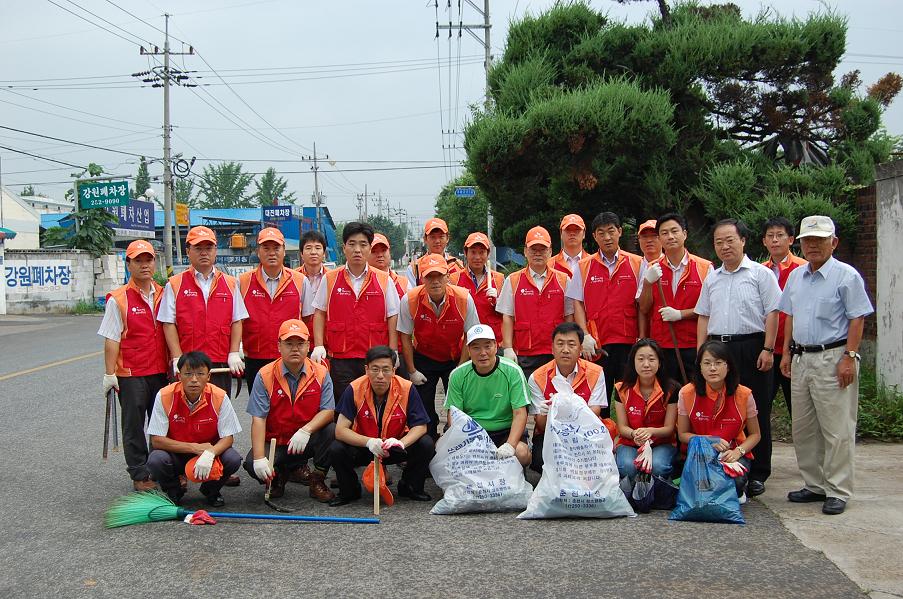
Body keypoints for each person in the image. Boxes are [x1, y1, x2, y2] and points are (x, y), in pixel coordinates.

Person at [779, 215, 873, 515]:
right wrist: (785, 353)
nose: (813, 245)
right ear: (801, 243)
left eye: (820, 240)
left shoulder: (846, 276)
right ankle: (814, 484)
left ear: (834, 242)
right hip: (801, 357)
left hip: (834, 357)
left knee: (836, 428)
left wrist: (850, 356)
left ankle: (838, 489)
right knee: (804, 427)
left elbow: (857, 317)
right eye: (808, 240)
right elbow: (789, 316)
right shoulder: (796, 276)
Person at [694, 218, 781, 498]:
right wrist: (701, 351)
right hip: (720, 349)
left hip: (752, 347)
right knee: (722, 406)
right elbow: (704, 315)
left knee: (757, 409)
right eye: (718, 242)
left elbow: (773, 312)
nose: (724, 246)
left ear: (743, 240)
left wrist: (768, 349)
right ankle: (725, 462)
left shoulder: (760, 274)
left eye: (730, 240)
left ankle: (758, 473)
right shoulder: (712, 277)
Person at [97, 239, 168, 491]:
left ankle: (162, 468)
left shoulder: (164, 293)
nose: (144, 265)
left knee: (163, 424)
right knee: (134, 426)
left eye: (148, 259)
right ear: (128, 264)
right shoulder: (118, 299)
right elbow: (111, 338)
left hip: (161, 371)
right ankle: (140, 474)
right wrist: (109, 373)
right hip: (131, 373)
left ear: (154, 262)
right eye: (138, 260)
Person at [329, 345, 435, 506]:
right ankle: (349, 491)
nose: (380, 376)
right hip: (365, 448)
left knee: (426, 443)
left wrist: (401, 442)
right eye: (375, 369)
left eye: (386, 370)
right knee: (337, 448)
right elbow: (340, 430)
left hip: (394, 446)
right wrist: (368, 442)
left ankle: (410, 486)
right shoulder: (354, 388)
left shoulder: (407, 388)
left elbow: (421, 426)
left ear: (393, 371)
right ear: (366, 369)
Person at [242, 319, 335, 502]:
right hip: (276, 439)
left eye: (300, 343)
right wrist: (260, 457)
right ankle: (278, 476)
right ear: (279, 346)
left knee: (331, 430)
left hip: (306, 438)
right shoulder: (265, 375)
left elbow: (328, 411)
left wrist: (305, 430)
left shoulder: (321, 373)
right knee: (252, 464)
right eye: (289, 344)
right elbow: (258, 418)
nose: (295, 349)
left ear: (308, 346)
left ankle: (317, 479)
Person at [309, 221, 400, 402]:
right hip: (341, 357)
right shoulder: (330, 278)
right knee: (344, 404)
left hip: (374, 356)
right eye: (352, 244)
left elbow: (393, 316)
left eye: (363, 244)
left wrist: (392, 350)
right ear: (344, 248)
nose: (357, 249)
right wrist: (319, 345)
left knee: (373, 403)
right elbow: (319, 312)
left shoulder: (383, 279)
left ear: (369, 249)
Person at [567, 212, 642, 415]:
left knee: (629, 394)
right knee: (599, 395)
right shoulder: (583, 266)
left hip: (629, 340)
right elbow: (577, 302)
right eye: (601, 233)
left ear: (619, 232)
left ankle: (630, 438)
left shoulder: (637, 263)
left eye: (611, 231)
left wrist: (642, 338)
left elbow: (643, 305)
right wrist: (585, 335)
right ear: (594, 236)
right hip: (598, 342)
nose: (607, 237)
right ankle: (603, 438)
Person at [397, 253, 479, 439]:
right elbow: (405, 335)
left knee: (458, 404)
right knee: (424, 405)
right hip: (424, 356)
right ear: (422, 279)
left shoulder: (464, 298)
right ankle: (428, 441)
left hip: (455, 356)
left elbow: (471, 336)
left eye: (439, 276)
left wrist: (461, 368)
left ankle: (455, 438)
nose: (435, 282)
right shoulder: (409, 299)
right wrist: (411, 370)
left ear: (448, 276)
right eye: (429, 277)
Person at [158, 226, 248, 394]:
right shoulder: (175, 284)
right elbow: (168, 323)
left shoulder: (230, 283)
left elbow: (237, 320)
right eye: (198, 248)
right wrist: (177, 357)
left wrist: (234, 352)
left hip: (219, 361)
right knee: (187, 413)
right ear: (188, 251)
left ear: (215, 250)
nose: (204, 253)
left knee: (219, 411)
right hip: (188, 363)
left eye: (208, 248)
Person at [146, 351, 243, 507]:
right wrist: (195, 448)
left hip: (209, 453)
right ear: (179, 375)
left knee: (233, 458)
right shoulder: (164, 395)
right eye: (188, 374)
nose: (194, 380)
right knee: (156, 459)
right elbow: (157, 440)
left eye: (200, 374)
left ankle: (211, 490)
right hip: (176, 454)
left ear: (209, 376)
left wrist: (210, 453)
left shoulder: (219, 396)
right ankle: (173, 491)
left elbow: (228, 438)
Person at [677, 340, 761, 502]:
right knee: (699, 485)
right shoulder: (686, 393)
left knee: (733, 482)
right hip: (700, 452)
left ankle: (738, 489)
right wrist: (708, 441)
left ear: (728, 366)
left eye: (718, 363)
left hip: (732, 452)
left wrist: (738, 452)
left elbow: (756, 434)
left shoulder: (744, 394)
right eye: (707, 363)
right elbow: (682, 434)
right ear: (699, 367)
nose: (713, 368)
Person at [638, 213, 712, 385]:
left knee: (695, 392)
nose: (670, 236)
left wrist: (681, 314)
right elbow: (644, 307)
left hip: (693, 343)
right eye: (664, 233)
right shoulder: (652, 268)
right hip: (662, 345)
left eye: (674, 231)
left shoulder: (704, 267)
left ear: (684, 234)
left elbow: (710, 309)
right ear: (659, 238)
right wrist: (648, 283)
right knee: (667, 396)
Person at [445, 325, 532, 466]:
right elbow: (454, 415)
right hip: (472, 432)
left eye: (487, 346)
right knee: (442, 452)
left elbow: (520, 413)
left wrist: (510, 445)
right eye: (476, 348)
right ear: (468, 350)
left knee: (521, 453)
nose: (483, 353)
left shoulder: (513, 371)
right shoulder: (458, 375)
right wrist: (464, 441)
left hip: (505, 430)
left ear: (496, 347)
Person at [497, 226, 574, 381]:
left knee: (556, 398)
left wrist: (568, 346)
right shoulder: (513, 280)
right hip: (525, 353)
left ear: (550, 251)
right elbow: (507, 317)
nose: (538, 253)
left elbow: (569, 317)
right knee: (528, 399)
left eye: (542, 249)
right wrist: (508, 348)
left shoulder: (564, 280)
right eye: (533, 249)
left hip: (555, 351)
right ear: (525, 251)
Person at [528, 322, 607, 473]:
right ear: (552, 349)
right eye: (560, 344)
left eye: (571, 344)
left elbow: (594, 413)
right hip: (551, 435)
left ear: (581, 349)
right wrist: (545, 413)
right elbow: (542, 425)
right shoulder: (537, 377)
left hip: (586, 434)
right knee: (538, 460)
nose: (565, 350)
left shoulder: (596, 372)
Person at [239, 227, 306, 395]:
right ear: (257, 251)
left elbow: (309, 319)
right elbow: (236, 320)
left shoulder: (299, 281)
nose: (271, 253)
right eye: (266, 248)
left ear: (284, 250)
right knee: (259, 407)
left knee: (288, 404)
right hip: (255, 356)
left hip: (289, 356)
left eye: (276, 248)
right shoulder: (243, 282)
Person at [613, 339, 679, 482]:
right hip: (630, 442)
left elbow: (669, 428)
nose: (646, 364)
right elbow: (622, 427)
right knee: (626, 467)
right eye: (641, 359)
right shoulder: (621, 389)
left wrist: (650, 431)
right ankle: (637, 487)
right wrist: (634, 433)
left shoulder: (671, 389)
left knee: (658, 466)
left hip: (662, 442)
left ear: (659, 362)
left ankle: (658, 485)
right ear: (633, 362)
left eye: (651, 359)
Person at [762, 217, 807, 418]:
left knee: (798, 408)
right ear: (764, 241)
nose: (774, 240)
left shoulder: (803, 268)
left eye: (780, 235)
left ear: (791, 239)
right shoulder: (759, 271)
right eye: (770, 236)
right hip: (766, 349)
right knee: (761, 406)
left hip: (794, 350)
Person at [448, 232, 505, 344]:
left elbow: (508, 314)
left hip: (493, 342)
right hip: (464, 343)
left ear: (488, 253)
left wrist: (498, 302)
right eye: (473, 252)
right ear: (465, 253)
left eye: (482, 252)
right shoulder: (454, 280)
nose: (477, 257)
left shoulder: (499, 279)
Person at [370, 232, 410, 378]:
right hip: (373, 351)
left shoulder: (404, 283)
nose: (379, 255)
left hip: (401, 351)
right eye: (374, 251)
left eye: (383, 250)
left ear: (389, 252)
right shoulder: (362, 284)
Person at [404, 217, 463, 286]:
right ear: (425, 239)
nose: (437, 241)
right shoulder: (414, 268)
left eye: (441, 237)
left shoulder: (457, 265)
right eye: (433, 237)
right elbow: (412, 294)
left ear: (447, 238)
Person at [298, 229, 330, 332]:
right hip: (299, 337)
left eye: (317, 248)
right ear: (301, 254)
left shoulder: (332, 278)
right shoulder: (293, 278)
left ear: (324, 253)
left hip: (326, 337)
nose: (313, 252)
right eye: (308, 248)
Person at [635, 220, 663, 338]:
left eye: (654, 236)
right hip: (635, 334)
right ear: (639, 240)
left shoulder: (670, 264)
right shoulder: (633, 265)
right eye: (645, 236)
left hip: (665, 332)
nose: (649, 240)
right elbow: (641, 307)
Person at [549, 213, 586, 278]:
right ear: (561, 233)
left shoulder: (594, 263)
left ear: (584, 233)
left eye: (577, 230)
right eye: (568, 229)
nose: (572, 233)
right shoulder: (549, 265)